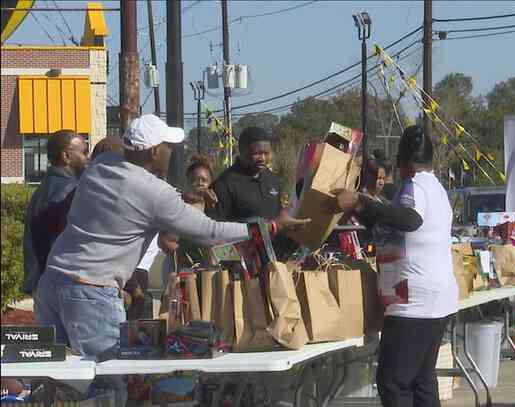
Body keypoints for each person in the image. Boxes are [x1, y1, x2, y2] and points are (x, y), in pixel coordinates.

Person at [34, 115, 308, 406]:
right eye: (168, 146)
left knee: (61, 387)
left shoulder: (102, 166)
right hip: (91, 294)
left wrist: (183, 195)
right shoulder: (155, 193)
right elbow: (211, 232)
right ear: (154, 151)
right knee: (112, 387)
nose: (172, 152)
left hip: (52, 283)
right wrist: (270, 226)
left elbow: (138, 190)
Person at [333, 125, 458, 407]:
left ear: (401, 161)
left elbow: (409, 220)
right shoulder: (435, 188)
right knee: (422, 381)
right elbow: (392, 226)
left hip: (414, 302)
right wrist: (357, 209)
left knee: (394, 382)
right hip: (434, 299)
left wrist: (361, 202)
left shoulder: (414, 186)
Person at [22, 130, 89, 298]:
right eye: (84, 152)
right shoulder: (68, 192)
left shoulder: (47, 187)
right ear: (66, 156)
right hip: (60, 285)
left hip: (44, 283)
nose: (88, 158)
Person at [207, 126, 282, 222]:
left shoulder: (272, 180)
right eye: (257, 153)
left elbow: (279, 215)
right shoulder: (224, 184)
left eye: (266, 153)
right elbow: (216, 228)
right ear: (242, 151)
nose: (262, 158)